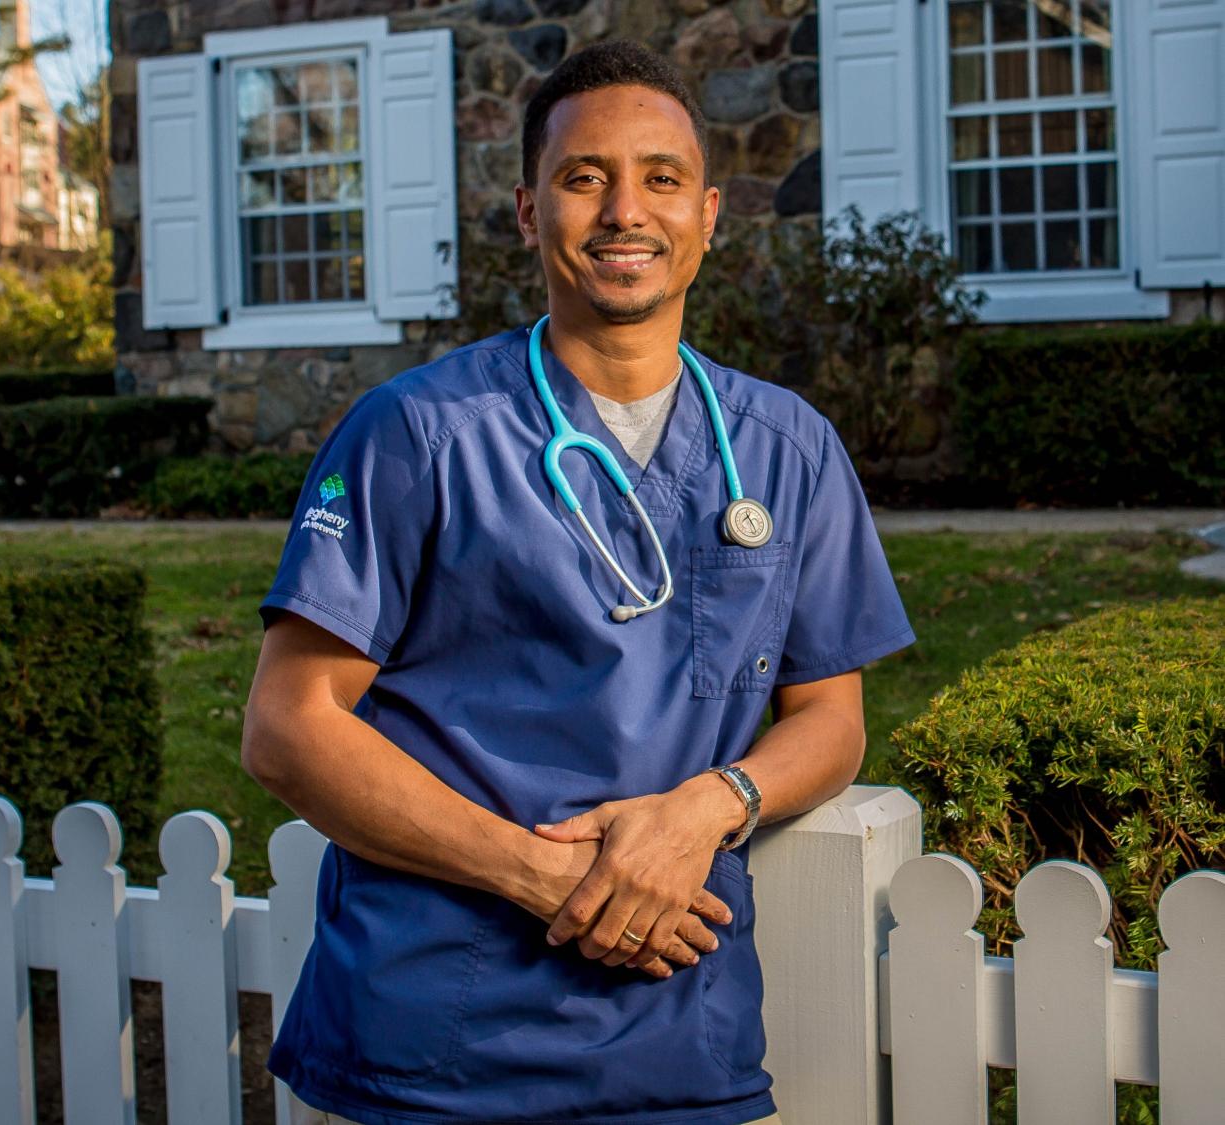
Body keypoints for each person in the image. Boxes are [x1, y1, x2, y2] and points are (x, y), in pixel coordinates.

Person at [242, 39, 914, 1125]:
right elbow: (289, 727)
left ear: (708, 214)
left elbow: (831, 718)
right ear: (527, 210)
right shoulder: (416, 434)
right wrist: (538, 876)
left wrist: (712, 804)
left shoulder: (788, 449)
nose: (623, 213)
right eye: (583, 177)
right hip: (432, 1044)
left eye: (659, 178)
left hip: (678, 1035)